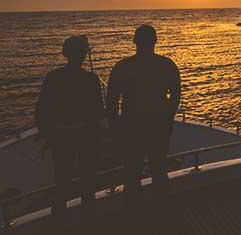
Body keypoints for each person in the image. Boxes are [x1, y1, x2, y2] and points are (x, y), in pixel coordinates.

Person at [106, 24, 181, 207]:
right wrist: (168, 118)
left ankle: (134, 213)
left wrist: (115, 127)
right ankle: (161, 210)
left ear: (134, 41)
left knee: (131, 173)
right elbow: (176, 95)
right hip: (158, 125)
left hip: (131, 127)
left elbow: (111, 100)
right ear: (155, 41)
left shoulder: (122, 66)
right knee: (159, 170)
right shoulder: (167, 65)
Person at [35, 35, 105, 224]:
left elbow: (41, 110)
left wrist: (50, 133)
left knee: (62, 182)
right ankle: (89, 222)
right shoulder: (91, 79)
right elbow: (98, 111)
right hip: (85, 138)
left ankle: (59, 223)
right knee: (88, 182)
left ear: (66, 54)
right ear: (83, 55)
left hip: (61, 138)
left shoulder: (53, 77)